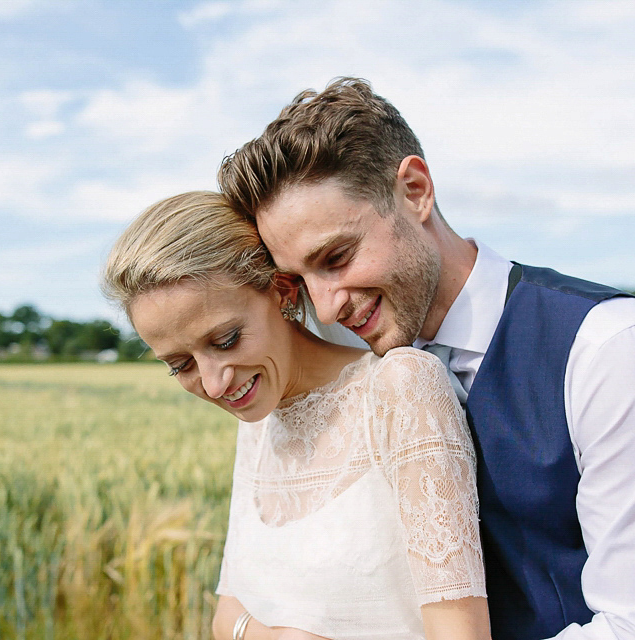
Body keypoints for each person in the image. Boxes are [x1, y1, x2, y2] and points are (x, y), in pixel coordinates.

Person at [217, 78, 635, 639]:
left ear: (415, 189)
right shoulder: (345, 366)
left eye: (336, 256)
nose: (327, 309)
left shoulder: (608, 348)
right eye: (302, 282)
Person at [102, 191, 491, 640]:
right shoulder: (259, 418)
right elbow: (225, 612)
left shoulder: (401, 388)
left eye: (225, 340)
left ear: (282, 293)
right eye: (180, 365)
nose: (213, 385)